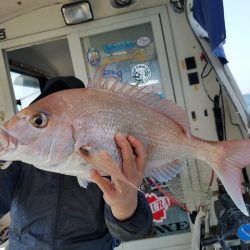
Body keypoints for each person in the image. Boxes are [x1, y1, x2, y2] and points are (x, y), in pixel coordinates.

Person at [0, 77, 153, 250]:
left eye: (38, 122)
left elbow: (135, 231)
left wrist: (125, 205)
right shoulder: (20, 159)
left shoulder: (107, 157)